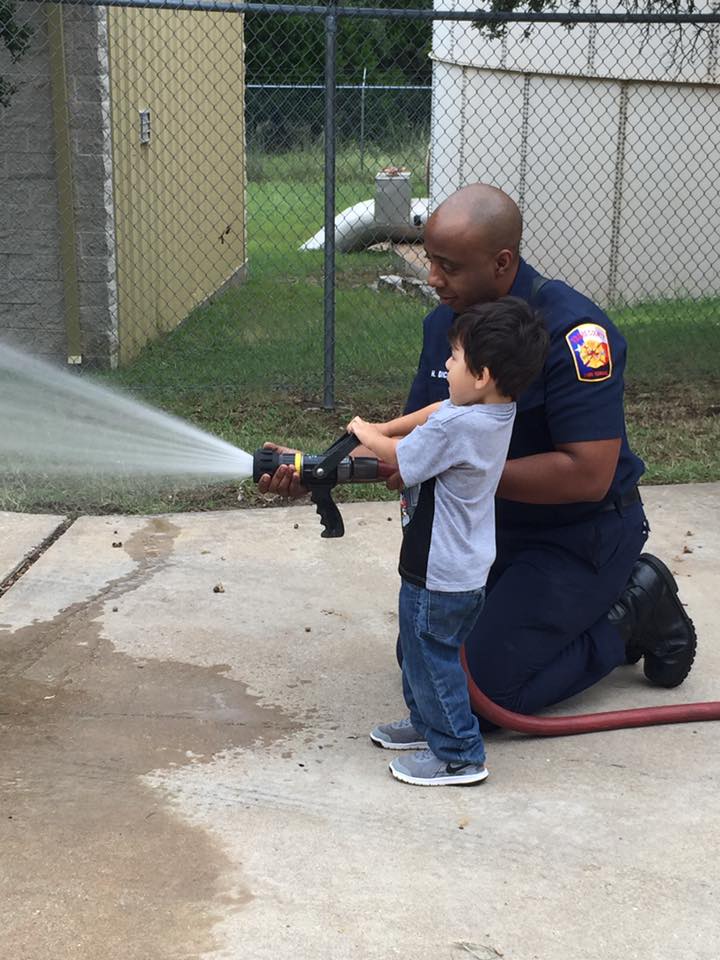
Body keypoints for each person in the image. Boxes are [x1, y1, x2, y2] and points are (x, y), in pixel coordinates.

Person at [258, 183, 696, 730]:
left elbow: (589, 474)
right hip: (483, 532)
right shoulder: (448, 323)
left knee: (475, 696)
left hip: (578, 535)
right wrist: (319, 468)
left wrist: (469, 474)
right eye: (429, 259)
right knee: (422, 664)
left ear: (502, 262)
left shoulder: (576, 334)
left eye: (448, 265)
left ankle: (632, 607)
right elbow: (421, 450)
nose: (433, 278)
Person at [345, 298, 549, 786]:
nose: (446, 366)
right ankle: (426, 725)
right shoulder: (495, 414)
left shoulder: (462, 426)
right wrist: (387, 426)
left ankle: (459, 753)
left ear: (481, 376)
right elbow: (440, 409)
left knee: (431, 657)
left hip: (440, 572)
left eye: (453, 358)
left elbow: (403, 454)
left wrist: (364, 431)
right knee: (419, 652)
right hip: (453, 566)